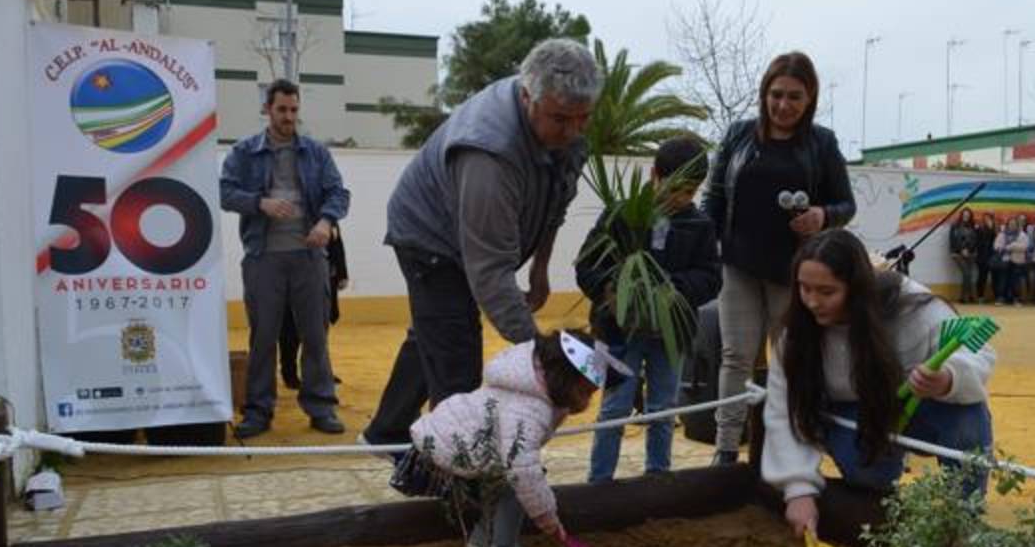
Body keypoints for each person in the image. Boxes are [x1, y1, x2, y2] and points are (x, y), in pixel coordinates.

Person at [359, 39, 601, 450]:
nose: (574, 131)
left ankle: (385, 433)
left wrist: (540, 268)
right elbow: (489, 272)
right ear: (528, 98)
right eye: (562, 119)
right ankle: (461, 484)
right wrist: (544, 360)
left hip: (472, 239)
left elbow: (556, 202)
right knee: (456, 357)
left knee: (434, 333)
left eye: (583, 119)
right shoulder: (488, 153)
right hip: (429, 238)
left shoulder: (565, 125)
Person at [759, 230, 995, 538]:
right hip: (854, 412)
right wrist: (797, 490)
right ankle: (880, 504)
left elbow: (975, 351)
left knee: (967, 417)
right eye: (804, 289)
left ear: (856, 289)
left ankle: (965, 519)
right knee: (867, 477)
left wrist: (947, 378)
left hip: (918, 403)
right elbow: (783, 410)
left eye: (827, 292)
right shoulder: (794, 335)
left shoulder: (912, 306)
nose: (812, 302)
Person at [701, 51, 857, 465]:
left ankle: (789, 448)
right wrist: (705, 245)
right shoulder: (738, 135)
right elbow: (714, 198)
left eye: (794, 97)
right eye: (776, 95)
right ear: (764, 93)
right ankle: (726, 448)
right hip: (738, 265)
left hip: (795, 274)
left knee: (790, 359)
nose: (783, 105)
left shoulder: (822, 143)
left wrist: (823, 216)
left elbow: (846, 204)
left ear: (810, 101)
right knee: (735, 357)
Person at [396, 330, 610, 547]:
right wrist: (547, 518)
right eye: (585, 392)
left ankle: (483, 538)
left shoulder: (532, 380)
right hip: (440, 458)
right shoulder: (529, 409)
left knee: (505, 476)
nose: (586, 402)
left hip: (450, 447)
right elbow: (523, 473)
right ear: (564, 380)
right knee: (515, 484)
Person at [576, 137, 721, 483]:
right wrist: (611, 290)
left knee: (664, 408)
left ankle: (658, 479)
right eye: (674, 189)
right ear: (655, 174)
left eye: (689, 192)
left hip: (670, 336)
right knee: (613, 408)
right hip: (617, 332)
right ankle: (599, 484)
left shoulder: (700, 225)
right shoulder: (619, 215)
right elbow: (586, 265)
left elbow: (711, 277)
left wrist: (675, 288)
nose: (680, 199)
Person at [220, 79, 350, 438]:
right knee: (263, 337)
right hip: (263, 258)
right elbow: (225, 193)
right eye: (282, 110)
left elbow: (338, 192)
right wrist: (259, 203)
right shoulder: (244, 152)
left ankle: (321, 406)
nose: (289, 117)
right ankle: (259, 411)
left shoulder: (316, 152)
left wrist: (325, 221)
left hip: (309, 257)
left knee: (315, 336)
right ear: (267, 109)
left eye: (294, 110)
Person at [280, 223, 348, 389]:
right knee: (290, 331)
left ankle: (320, 373)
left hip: (323, 278)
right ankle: (289, 373)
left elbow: (337, 244)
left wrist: (342, 273)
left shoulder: (328, 218)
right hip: (294, 280)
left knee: (319, 331)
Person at [993, 217, 1028, 306]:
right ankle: (1001, 298)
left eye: (1014, 224)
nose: (1012, 226)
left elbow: (1025, 246)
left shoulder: (1022, 235)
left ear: (1017, 225)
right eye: (1010, 224)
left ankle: (1016, 299)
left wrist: (1011, 247)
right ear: (1007, 225)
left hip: (1017, 261)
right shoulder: (1002, 234)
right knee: (1002, 280)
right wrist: (1001, 248)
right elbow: (996, 246)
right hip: (1004, 261)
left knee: (1015, 280)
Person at [949, 207, 978, 303]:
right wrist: (961, 250)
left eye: (968, 215)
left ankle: (969, 296)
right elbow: (953, 240)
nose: (966, 216)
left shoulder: (973, 226)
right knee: (966, 273)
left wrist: (970, 250)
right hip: (957, 253)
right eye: (964, 214)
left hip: (971, 253)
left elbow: (975, 240)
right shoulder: (955, 226)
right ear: (961, 215)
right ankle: (964, 297)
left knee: (969, 275)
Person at [974, 212, 998, 303]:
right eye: (985, 218)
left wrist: (992, 229)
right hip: (982, 256)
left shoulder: (996, 228)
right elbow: (978, 242)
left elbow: (997, 239)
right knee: (982, 277)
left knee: (995, 278)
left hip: (993, 256)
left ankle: (996, 296)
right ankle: (980, 296)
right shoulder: (979, 229)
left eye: (989, 218)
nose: (987, 220)